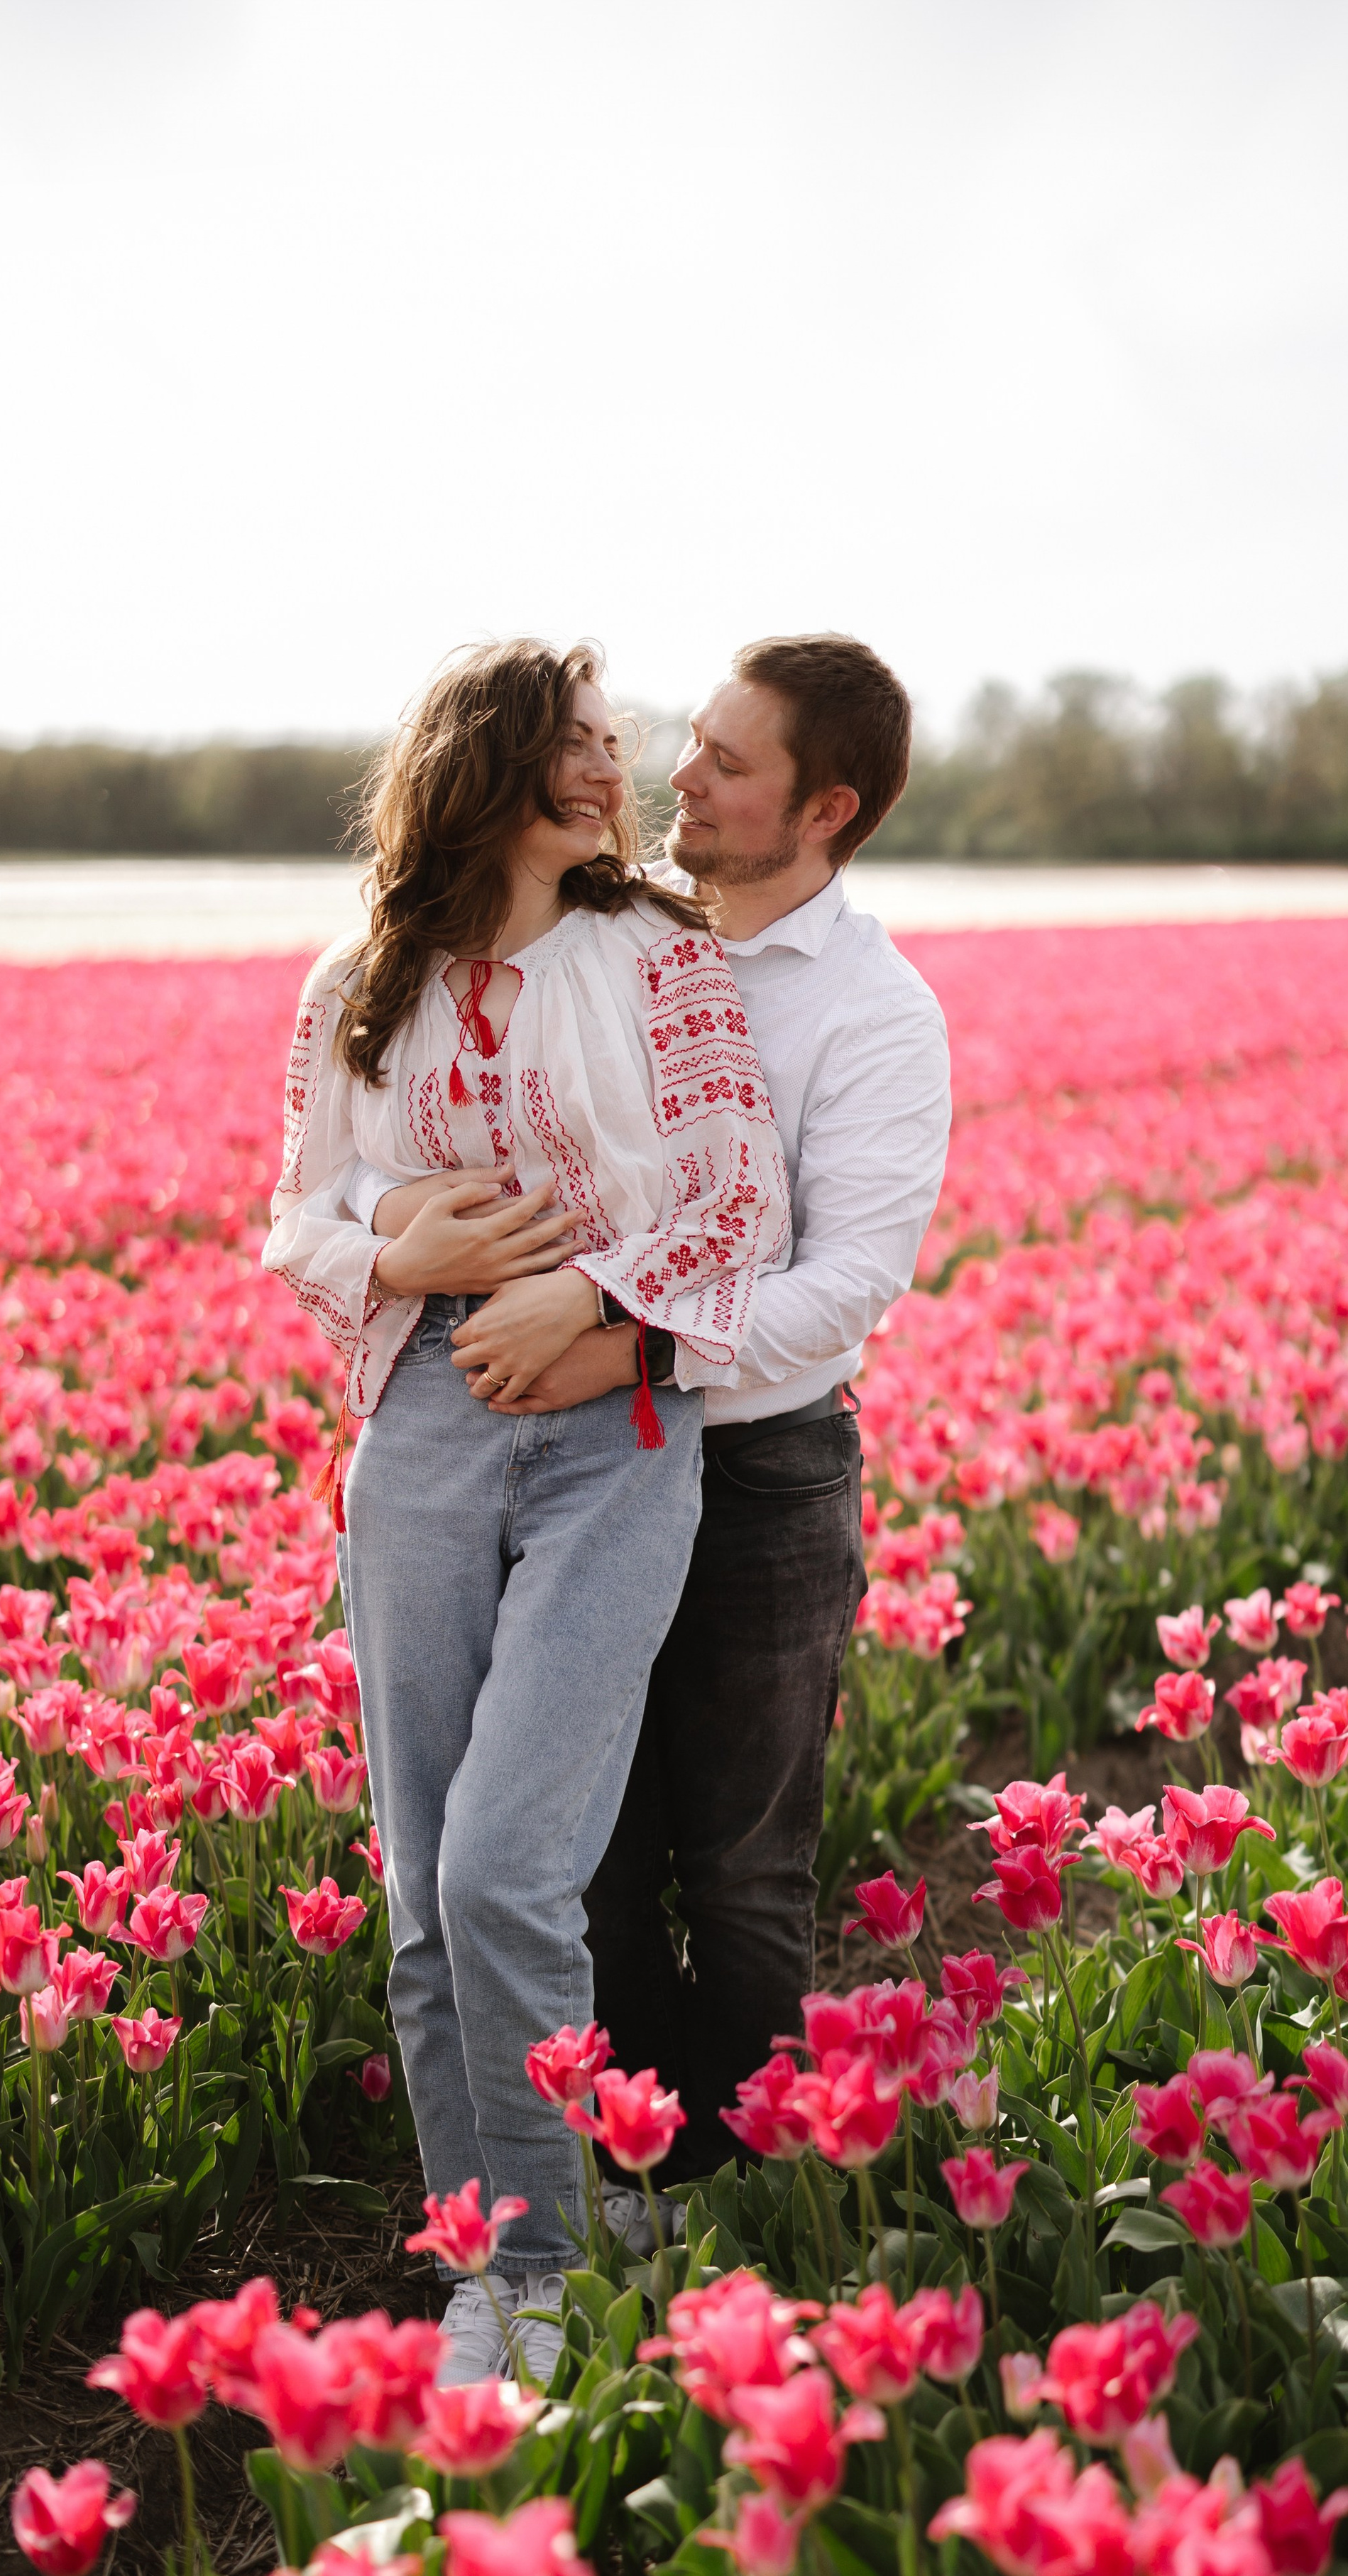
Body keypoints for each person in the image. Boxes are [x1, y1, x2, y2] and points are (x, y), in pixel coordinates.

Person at [356, 633, 951, 2191]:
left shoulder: (875, 1014)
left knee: (743, 1870)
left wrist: (633, 1332)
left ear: (824, 809)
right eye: (684, 742)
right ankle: (625, 2191)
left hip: (759, 1473)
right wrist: (402, 1231)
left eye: (725, 763)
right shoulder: (608, 937)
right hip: (574, 1458)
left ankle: (751, 2195)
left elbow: (846, 1284)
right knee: (583, 1864)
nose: (675, 778)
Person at [263, 638, 790, 2386]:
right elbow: (300, 1216)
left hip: (614, 1429)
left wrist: (588, 1307)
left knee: (506, 1864)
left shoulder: (661, 960)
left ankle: (551, 2267)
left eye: (615, 743)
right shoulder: (363, 979)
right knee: (424, 1888)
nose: (611, 769)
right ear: (485, 763)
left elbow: (735, 1208)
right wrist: (391, 1250)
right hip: (416, 1430)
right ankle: (484, 2266)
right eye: (576, 743)